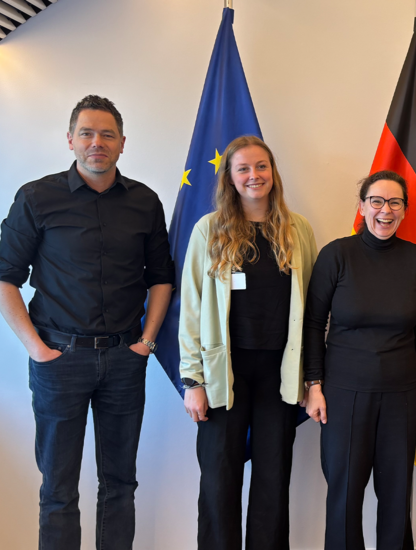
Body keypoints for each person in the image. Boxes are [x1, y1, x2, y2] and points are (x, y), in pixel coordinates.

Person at [0, 95, 174, 550]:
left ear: (123, 143)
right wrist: (37, 349)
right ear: (70, 139)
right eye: (87, 133)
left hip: (125, 360)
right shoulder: (36, 197)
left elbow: (161, 278)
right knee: (58, 489)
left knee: (120, 484)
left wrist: (147, 342)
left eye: (107, 134)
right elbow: (3, 279)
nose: (97, 142)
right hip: (59, 361)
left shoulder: (145, 202)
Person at [177, 136, 317, 550]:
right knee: (219, 479)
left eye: (261, 166)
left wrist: (312, 377)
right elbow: (191, 307)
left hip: (279, 374)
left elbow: (312, 307)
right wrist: (193, 380)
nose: (254, 175)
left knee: (273, 478)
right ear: (230, 178)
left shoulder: (298, 230)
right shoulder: (209, 230)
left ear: (273, 173)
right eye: (243, 168)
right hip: (224, 374)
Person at [303, 170, 416, 550]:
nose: (385, 210)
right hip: (344, 393)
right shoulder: (337, 255)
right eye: (376, 201)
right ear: (362, 207)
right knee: (345, 493)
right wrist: (314, 385)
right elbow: (313, 324)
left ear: (405, 210)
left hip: (402, 394)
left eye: (395, 202)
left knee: (396, 494)